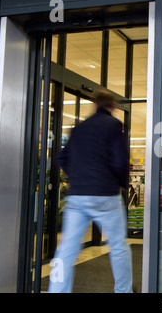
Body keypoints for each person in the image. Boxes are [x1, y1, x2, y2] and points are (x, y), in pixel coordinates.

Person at [48, 90, 132, 293]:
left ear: (95, 105)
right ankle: (123, 291)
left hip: (77, 196)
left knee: (67, 248)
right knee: (118, 246)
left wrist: (77, 177)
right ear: (111, 107)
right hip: (105, 195)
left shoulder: (79, 128)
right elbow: (120, 160)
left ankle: (56, 290)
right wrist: (121, 183)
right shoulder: (113, 125)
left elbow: (61, 158)